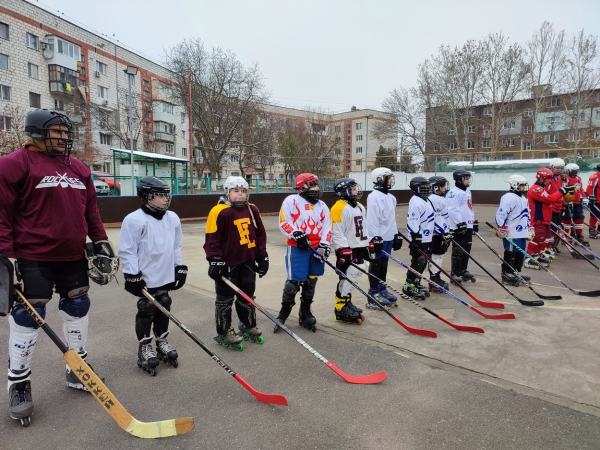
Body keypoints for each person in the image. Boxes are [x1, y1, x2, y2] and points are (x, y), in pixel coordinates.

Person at [0, 109, 118, 426]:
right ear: (37, 132)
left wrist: (101, 241)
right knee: (28, 314)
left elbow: (91, 211)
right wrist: (5, 254)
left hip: (72, 255)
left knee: (78, 304)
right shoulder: (13, 164)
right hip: (31, 256)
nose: (65, 137)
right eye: (58, 131)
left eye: (67, 132)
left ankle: (77, 369)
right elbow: (1, 212)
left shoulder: (79, 169)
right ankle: (19, 383)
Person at [119, 176, 187, 375]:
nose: (165, 199)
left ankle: (161, 340)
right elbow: (127, 250)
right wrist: (132, 274)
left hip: (164, 273)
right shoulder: (134, 220)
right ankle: (144, 346)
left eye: (166, 195)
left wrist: (179, 267)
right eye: (160, 195)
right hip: (145, 276)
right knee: (147, 307)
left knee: (164, 303)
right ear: (147, 196)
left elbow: (176, 246)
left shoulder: (172, 218)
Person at [203, 176, 268, 350]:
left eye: (243, 191)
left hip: (247, 260)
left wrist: (262, 256)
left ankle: (247, 325)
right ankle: (224, 331)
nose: (240, 195)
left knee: (247, 294)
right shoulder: (219, 211)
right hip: (228, 263)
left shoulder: (252, 209)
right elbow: (212, 238)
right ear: (227, 192)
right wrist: (215, 259)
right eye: (236, 191)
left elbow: (260, 234)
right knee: (225, 298)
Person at [275, 173, 331, 333]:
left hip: (316, 248)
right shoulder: (292, 200)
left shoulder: (322, 205)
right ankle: (283, 313)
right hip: (298, 247)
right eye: (312, 185)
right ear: (302, 187)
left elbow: (327, 226)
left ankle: (305, 312)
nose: (317, 188)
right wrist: (296, 233)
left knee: (311, 282)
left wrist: (325, 245)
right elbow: (284, 221)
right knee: (293, 283)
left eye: (317, 184)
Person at [330, 178, 367, 324]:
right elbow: (337, 231)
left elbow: (364, 226)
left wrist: (367, 243)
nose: (356, 191)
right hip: (347, 248)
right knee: (346, 276)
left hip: (358, 245)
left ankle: (347, 301)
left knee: (356, 274)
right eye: (353, 189)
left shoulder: (359, 206)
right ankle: (340, 307)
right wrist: (343, 249)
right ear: (343, 191)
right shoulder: (338, 207)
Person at [365, 167, 403, 308]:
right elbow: (372, 219)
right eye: (388, 178)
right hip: (378, 237)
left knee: (384, 263)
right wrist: (374, 238)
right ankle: (373, 292)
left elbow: (391, 219)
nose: (391, 180)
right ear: (379, 179)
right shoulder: (373, 196)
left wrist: (396, 234)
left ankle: (382, 288)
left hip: (388, 237)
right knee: (376, 264)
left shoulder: (391, 197)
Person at [526, 168, 570, 269]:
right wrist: (561, 192)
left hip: (545, 218)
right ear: (541, 178)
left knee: (543, 239)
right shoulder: (535, 189)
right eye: (548, 179)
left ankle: (537, 255)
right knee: (537, 239)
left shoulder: (542, 188)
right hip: (539, 218)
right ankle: (529, 258)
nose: (549, 181)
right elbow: (550, 199)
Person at [495, 175, 532, 285]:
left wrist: (530, 227)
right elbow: (501, 214)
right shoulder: (508, 197)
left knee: (520, 252)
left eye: (524, 185)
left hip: (522, 231)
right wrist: (502, 227)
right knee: (511, 252)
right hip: (512, 231)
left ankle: (517, 272)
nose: (523, 188)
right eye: (521, 186)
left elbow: (527, 214)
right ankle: (507, 273)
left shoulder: (523, 198)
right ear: (514, 185)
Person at [403, 177, 435, 299]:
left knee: (423, 262)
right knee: (417, 261)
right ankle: (409, 285)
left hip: (427, 237)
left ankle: (417, 281)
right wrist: (415, 238)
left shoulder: (426, 200)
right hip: (419, 238)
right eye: (425, 186)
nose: (428, 189)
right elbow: (413, 221)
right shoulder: (416, 202)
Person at [446, 169, 477, 283]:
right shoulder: (453, 193)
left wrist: (473, 222)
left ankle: (463, 270)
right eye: (466, 179)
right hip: (458, 226)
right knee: (458, 249)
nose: (468, 180)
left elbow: (469, 208)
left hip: (467, 225)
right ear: (459, 179)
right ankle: (455, 272)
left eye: (469, 178)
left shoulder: (468, 192)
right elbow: (452, 209)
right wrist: (459, 223)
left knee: (467, 248)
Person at [427, 176, 452, 292]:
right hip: (436, 234)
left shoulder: (441, 199)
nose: (445, 188)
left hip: (442, 232)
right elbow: (435, 218)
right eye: (443, 186)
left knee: (440, 255)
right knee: (435, 255)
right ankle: (433, 279)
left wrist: (449, 231)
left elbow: (445, 217)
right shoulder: (433, 199)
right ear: (435, 187)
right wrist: (442, 232)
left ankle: (436, 276)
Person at [562, 163, 589, 245]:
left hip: (577, 202)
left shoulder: (578, 178)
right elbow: (563, 190)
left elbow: (580, 189)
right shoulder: (566, 179)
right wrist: (564, 201)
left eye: (576, 171)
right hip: (569, 202)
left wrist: (584, 197)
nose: (575, 173)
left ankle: (578, 235)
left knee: (579, 218)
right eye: (573, 171)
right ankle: (566, 237)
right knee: (568, 219)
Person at [546, 158, 566, 259]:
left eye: (561, 168)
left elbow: (560, 193)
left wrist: (563, 204)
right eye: (557, 167)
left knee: (556, 228)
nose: (559, 170)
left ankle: (552, 246)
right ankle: (547, 247)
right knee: (550, 229)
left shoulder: (559, 179)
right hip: (551, 208)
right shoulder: (548, 179)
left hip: (558, 207)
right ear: (552, 167)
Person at [585, 163, 600, 239]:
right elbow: (590, 187)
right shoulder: (594, 177)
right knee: (594, 215)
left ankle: (599, 230)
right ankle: (592, 230)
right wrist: (591, 197)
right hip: (596, 200)